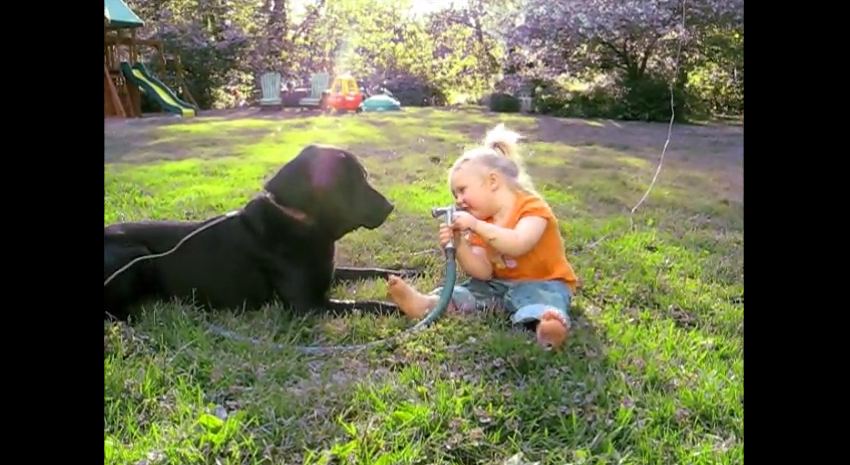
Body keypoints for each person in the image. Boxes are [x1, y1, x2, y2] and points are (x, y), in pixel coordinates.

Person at [387, 124, 579, 350]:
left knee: (541, 298)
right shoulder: (483, 221)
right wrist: (459, 245)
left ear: (493, 182)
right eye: (455, 194)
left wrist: (476, 226)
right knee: (471, 290)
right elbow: (483, 271)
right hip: (498, 285)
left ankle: (547, 326)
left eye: (462, 190)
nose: (458, 200)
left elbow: (518, 244)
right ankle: (428, 304)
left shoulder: (532, 207)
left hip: (543, 281)